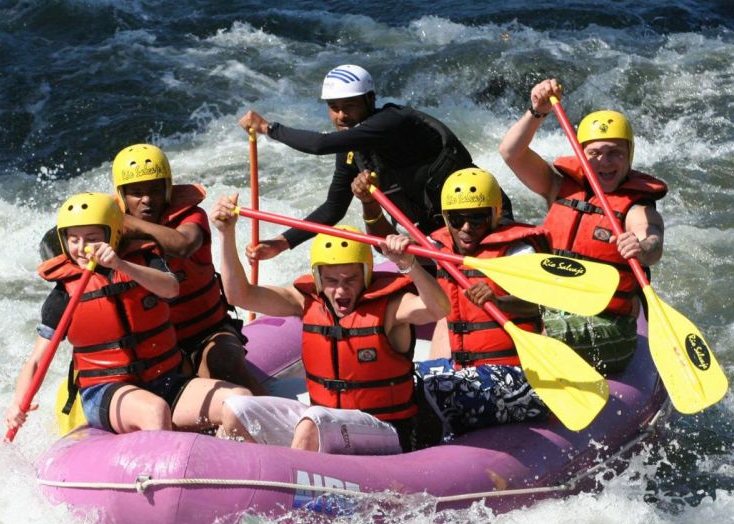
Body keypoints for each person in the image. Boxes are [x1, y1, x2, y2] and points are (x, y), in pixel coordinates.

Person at [210, 194, 451, 452]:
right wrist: (226, 232)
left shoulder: (392, 308)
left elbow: (439, 308)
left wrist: (409, 264)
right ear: (318, 278)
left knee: (313, 423)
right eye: (332, 281)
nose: (340, 291)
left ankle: (292, 484)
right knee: (237, 410)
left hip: (387, 429)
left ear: (366, 275)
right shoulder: (304, 302)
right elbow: (239, 295)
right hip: (326, 421)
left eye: (350, 280)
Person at [4, 192, 254, 439]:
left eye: (91, 238)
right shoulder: (63, 295)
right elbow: (37, 360)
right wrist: (18, 403)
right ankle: (165, 475)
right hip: (105, 391)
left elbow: (171, 288)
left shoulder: (145, 261)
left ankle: (234, 465)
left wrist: (120, 265)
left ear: (113, 235)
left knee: (239, 402)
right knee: (155, 412)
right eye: (73, 239)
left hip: (164, 380)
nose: (81, 248)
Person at [238, 63, 513, 262]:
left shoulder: (394, 122)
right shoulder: (353, 150)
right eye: (334, 108)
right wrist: (280, 244)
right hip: (439, 232)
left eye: (350, 106)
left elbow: (319, 144)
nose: (341, 116)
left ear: (370, 100)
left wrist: (268, 128)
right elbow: (333, 209)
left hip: (481, 218)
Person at [498, 78, 667, 373]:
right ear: (582, 156)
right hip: (552, 306)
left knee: (542, 333)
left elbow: (652, 237)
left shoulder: (635, 207)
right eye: (595, 153)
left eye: (616, 152)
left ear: (629, 157)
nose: (605, 160)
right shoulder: (557, 187)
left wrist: (641, 247)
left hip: (608, 323)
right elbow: (511, 153)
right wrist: (536, 112)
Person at [110, 143, 266, 395]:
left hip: (206, 334)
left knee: (223, 362)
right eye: (136, 193)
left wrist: (134, 226)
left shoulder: (191, 217)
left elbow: (183, 245)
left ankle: (277, 423)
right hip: (153, 347)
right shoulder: (112, 231)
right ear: (122, 196)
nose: (147, 199)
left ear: (168, 190)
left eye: (155, 190)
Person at [415, 168, 552, 444]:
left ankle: (428, 458)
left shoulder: (519, 252)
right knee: (401, 384)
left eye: (477, 218)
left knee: (437, 390)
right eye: (457, 219)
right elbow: (389, 246)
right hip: (462, 371)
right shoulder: (439, 247)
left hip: (520, 379)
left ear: (495, 215)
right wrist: (372, 211)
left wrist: (498, 301)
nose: (466, 228)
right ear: (445, 219)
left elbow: (542, 304)